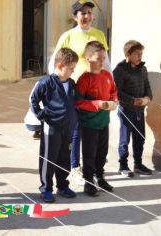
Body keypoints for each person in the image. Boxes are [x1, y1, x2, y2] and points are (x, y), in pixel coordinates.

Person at [48, 0, 111, 185]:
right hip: (75, 88)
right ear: (75, 17)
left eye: (89, 12)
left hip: (97, 88)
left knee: (96, 131)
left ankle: (95, 169)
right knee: (76, 129)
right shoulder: (68, 35)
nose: (87, 16)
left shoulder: (99, 34)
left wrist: (110, 85)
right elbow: (54, 62)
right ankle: (75, 167)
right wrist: (56, 85)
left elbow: (106, 62)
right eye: (82, 13)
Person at [31, 47, 78, 203]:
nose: (73, 71)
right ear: (59, 66)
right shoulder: (46, 82)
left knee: (64, 157)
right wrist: (41, 114)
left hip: (68, 127)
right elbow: (33, 99)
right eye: (71, 68)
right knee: (49, 158)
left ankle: (63, 185)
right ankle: (46, 188)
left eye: (74, 68)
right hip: (51, 128)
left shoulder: (71, 83)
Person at [75, 41, 118, 197]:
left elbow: (113, 92)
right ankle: (88, 181)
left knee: (102, 152)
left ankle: (100, 177)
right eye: (99, 58)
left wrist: (114, 101)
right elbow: (78, 102)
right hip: (89, 125)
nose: (102, 62)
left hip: (103, 122)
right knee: (89, 154)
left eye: (104, 58)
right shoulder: (84, 79)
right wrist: (98, 104)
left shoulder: (107, 75)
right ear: (88, 58)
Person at [113, 40, 153, 177]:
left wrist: (147, 98)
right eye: (137, 54)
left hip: (140, 111)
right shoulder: (119, 70)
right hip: (126, 110)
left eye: (141, 53)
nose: (140, 57)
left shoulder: (143, 69)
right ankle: (123, 165)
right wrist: (133, 101)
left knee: (140, 138)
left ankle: (138, 164)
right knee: (125, 139)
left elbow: (148, 87)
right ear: (128, 54)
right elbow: (116, 92)